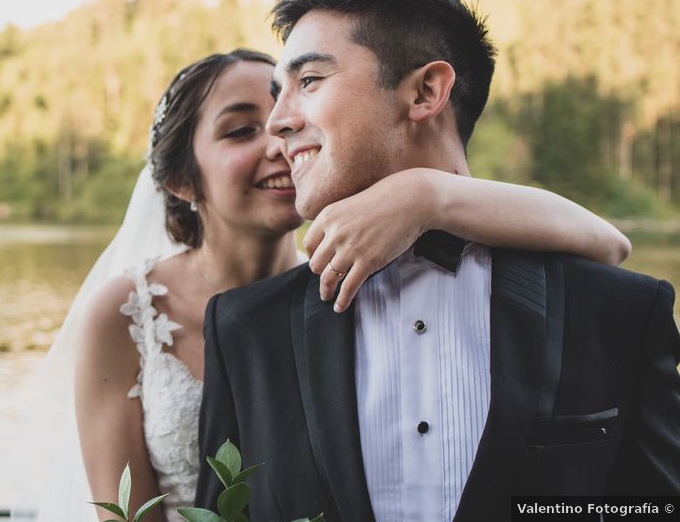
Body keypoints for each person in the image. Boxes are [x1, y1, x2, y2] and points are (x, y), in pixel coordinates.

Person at [58, 48, 633, 521]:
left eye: (287, 111)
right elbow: (126, 513)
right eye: (239, 132)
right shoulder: (128, 312)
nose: (277, 143)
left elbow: (607, 244)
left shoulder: (362, 275)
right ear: (183, 179)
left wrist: (426, 196)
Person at [195, 0, 680, 522]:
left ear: (426, 92)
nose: (278, 122)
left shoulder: (620, 311)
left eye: (308, 80)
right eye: (275, 94)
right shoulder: (244, 330)